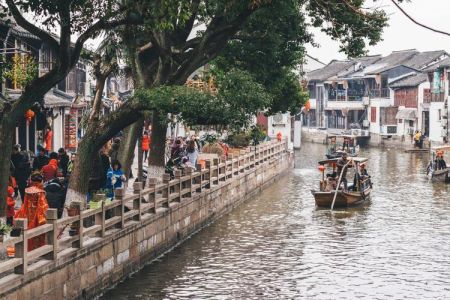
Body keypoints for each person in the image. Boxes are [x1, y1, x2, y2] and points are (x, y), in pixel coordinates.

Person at [15, 172, 49, 251]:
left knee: (28, 230)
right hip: (37, 215)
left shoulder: (27, 191)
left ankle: (28, 248)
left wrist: (21, 214)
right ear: (39, 182)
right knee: (38, 232)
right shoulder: (40, 192)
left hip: (28, 214)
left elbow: (24, 204)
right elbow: (43, 206)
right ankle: (37, 249)